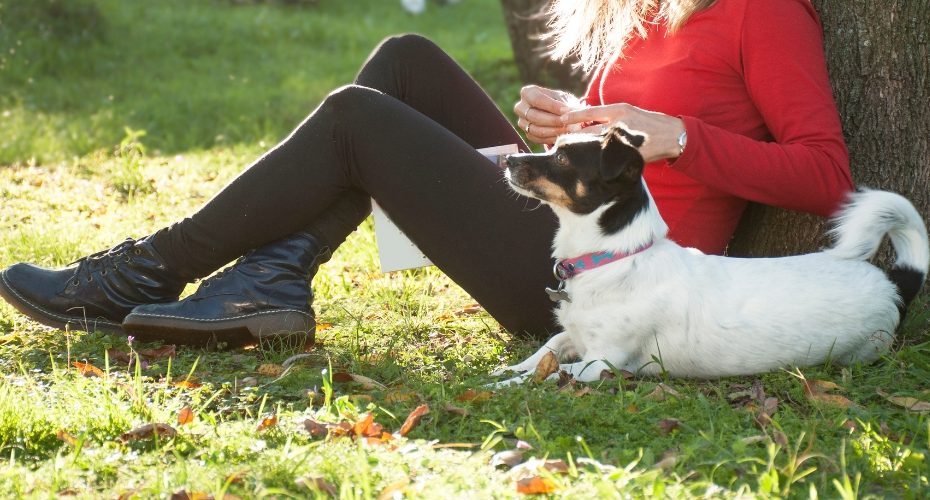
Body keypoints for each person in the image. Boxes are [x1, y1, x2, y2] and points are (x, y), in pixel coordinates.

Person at [0, 0, 853, 346]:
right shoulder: (642, 9)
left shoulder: (764, 11)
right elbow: (614, 138)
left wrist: (683, 140)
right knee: (404, 59)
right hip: (565, 221)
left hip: (601, 282)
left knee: (353, 114)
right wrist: (561, 121)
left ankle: (146, 271)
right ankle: (270, 278)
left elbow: (825, 177)